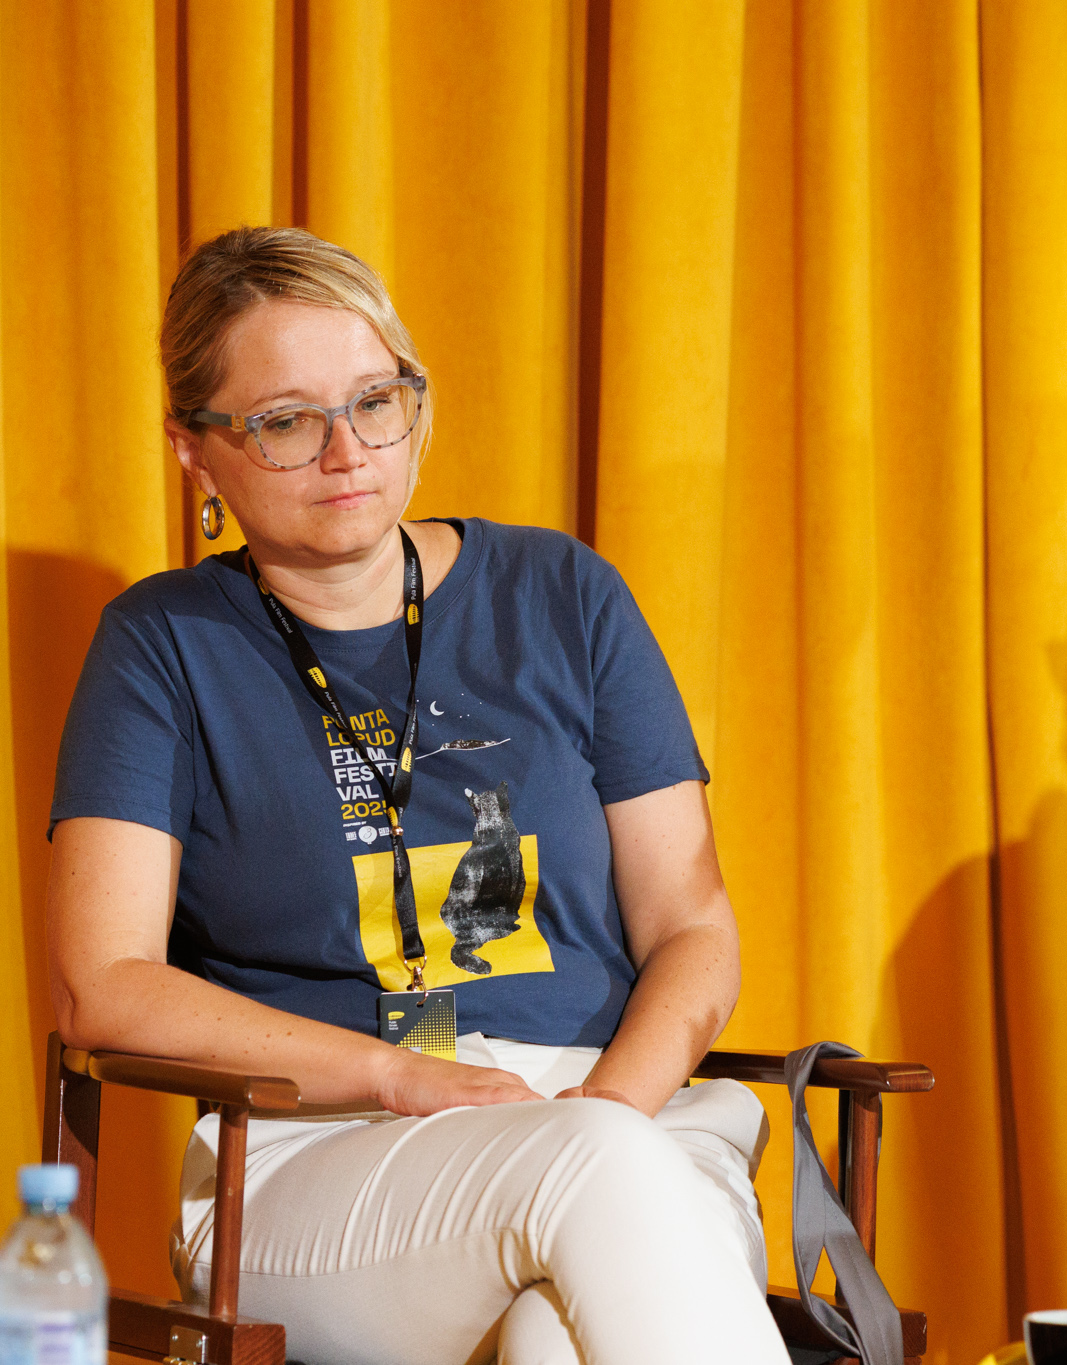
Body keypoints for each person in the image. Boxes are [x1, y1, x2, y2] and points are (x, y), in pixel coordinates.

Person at [47, 226, 786, 1364]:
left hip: (620, 1109)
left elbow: (693, 927)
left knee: (557, 1330)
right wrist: (398, 1077)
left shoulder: (564, 593)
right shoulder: (162, 647)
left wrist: (602, 1109)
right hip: (320, 1150)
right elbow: (102, 985)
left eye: (374, 400)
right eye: (286, 421)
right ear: (196, 451)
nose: (347, 450)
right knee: (593, 1182)